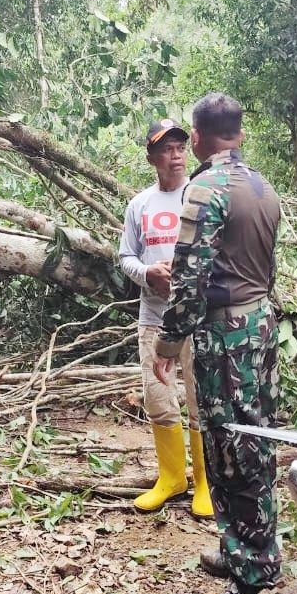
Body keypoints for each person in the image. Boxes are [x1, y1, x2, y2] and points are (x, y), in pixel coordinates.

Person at [153, 93, 281, 594]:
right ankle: (240, 548)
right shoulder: (263, 188)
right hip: (260, 324)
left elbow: (189, 277)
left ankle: (254, 575)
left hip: (226, 335)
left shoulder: (206, 189)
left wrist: (167, 341)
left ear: (200, 139)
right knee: (254, 441)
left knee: (235, 449)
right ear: (241, 134)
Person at [118, 119, 212, 518]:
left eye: (179, 147)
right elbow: (125, 257)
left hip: (198, 317)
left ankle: (205, 483)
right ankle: (171, 477)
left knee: (199, 399)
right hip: (154, 317)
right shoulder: (140, 205)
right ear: (151, 157)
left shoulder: (202, 197)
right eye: (165, 150)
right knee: (159, 398)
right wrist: (148, 273)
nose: (174, 156)